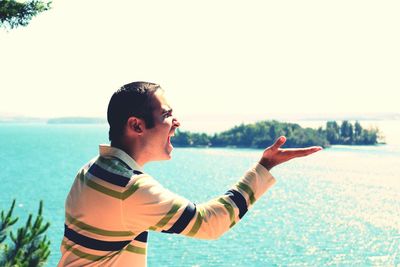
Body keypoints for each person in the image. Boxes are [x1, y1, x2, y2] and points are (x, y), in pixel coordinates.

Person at [58, 81, 322, 266]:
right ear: (136, 125)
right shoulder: (130, 188)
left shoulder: (92, 169)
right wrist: (264, 167)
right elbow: (209, 223)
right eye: (167, 114)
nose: (176, 122)